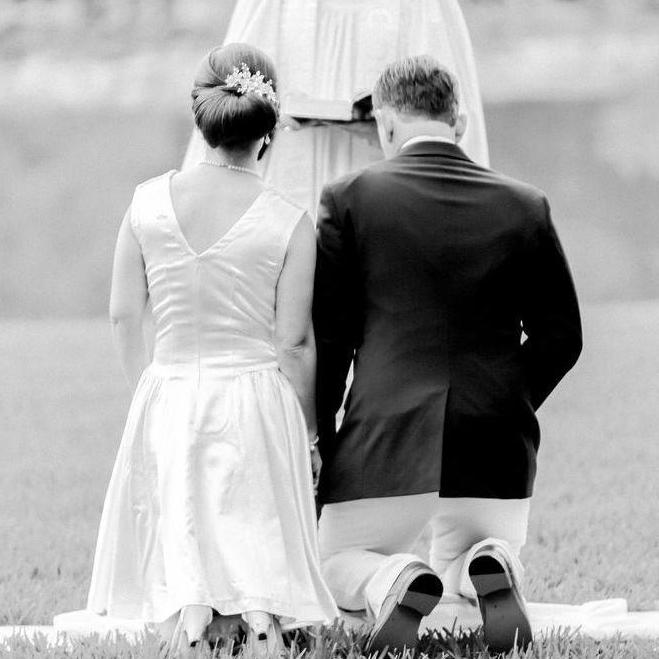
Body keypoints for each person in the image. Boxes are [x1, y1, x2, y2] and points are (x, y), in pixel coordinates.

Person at [313, 55, 582, 653]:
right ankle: (485, 560)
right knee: (465, 552)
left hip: (384, 435)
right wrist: (508, 399)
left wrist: (325, 440)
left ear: (384, 126)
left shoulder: (348, 199)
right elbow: (563, 337)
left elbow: (329, 340)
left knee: (334, 563)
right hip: (494, 440)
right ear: (458, 120)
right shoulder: (525, 205)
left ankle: (390, 578)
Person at [87, 42, 338, 656]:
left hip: (172, 382)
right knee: (252, 518)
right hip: (255, 387)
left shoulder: (146, 203)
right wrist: (309, 432)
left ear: (200, 118)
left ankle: (196, 628)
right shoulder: (288, 219)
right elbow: (293, 339)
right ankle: (259, 623)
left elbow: (124, 312)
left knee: (186, 517)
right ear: (268, 133)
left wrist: (148, 390)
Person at [182, 0, 489, 211]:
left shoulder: (424, 6)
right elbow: (230, 87)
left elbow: (450, 111)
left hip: (385, 187)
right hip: (288, 175)